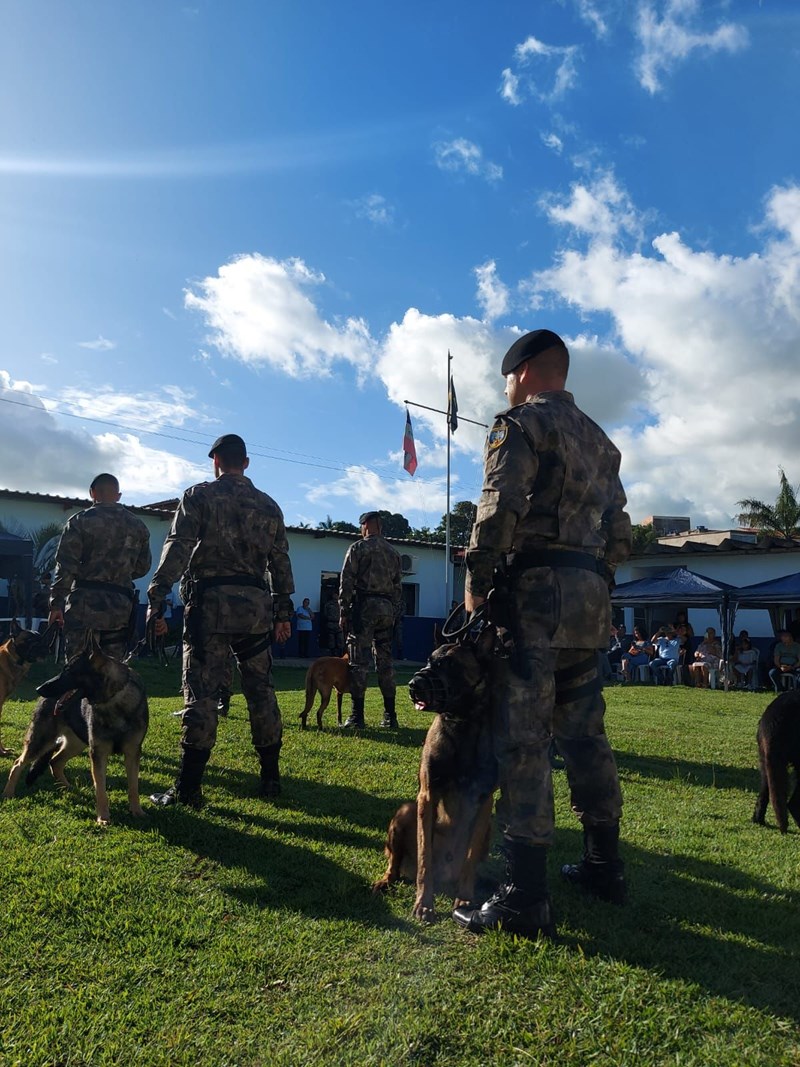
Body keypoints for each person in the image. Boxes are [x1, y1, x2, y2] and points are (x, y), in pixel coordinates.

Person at [452, 328, 631, 940]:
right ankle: (606, 865)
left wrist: (478, 583)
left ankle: (525, 895)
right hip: (589, 603)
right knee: (584, 733)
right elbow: (621, 531)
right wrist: (595, 580)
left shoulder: (521, 423)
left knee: (524, 740)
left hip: (536, 602)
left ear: (524, 371)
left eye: (507, 375)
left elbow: (498, 507)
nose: (505, 386)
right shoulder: (601, 442)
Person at [147, 434, 295, 807]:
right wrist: (282, 613)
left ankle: (189, 788)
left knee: (202, 692)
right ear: (246, 463)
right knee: (261, 691)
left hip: (210, 608)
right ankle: (271, 779)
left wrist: (158, 592)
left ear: (215, 462)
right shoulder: (270, 506)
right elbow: (281, 564)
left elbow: (178, 544)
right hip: (256, 610)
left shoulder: (199, 496)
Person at [48, 473, 151, 661]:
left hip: (84, 608)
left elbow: (66, 567)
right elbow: (143, 567)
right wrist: (118, 575)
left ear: (92, 493)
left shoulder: (79, 521)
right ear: (118, 496)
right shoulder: (138, 527)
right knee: (110, 674)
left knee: (77, 672)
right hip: (119, 609)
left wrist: (57, 604)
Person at [339, 511, 403, 729]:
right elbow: (398, 587)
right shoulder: (393, 552)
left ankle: (357, 716)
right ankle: (390, 716)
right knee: (385, 663)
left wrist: (344, 611)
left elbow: (346, 581)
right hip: (386, 609)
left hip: (364, 607)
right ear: (381, 527)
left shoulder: (358, 548)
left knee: (359, 662)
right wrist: (393, 611)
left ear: (365, 525)